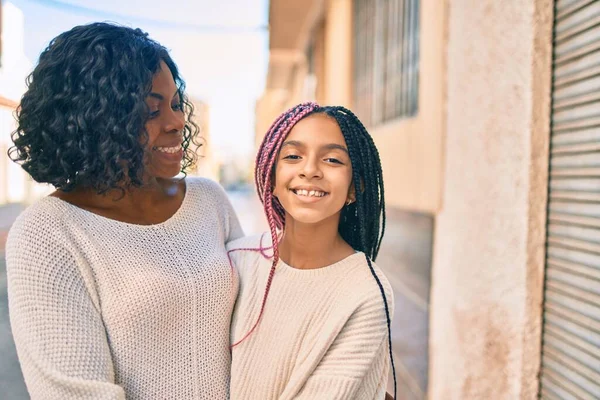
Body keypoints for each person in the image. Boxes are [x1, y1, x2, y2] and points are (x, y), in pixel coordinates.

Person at [6, 22, 242, 399]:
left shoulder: (209, 201)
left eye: (176, 104)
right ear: (95, 120)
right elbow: (76, 392)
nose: (177, 122)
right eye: (151, 111)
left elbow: (257, 327)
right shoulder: (48, 234)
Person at [227, 102, 396, 399]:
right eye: (293, 156)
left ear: (354, 188)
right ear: (272, 176)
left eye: (332, 160)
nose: (310, 170)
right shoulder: (236, 260)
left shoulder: (366, 291)